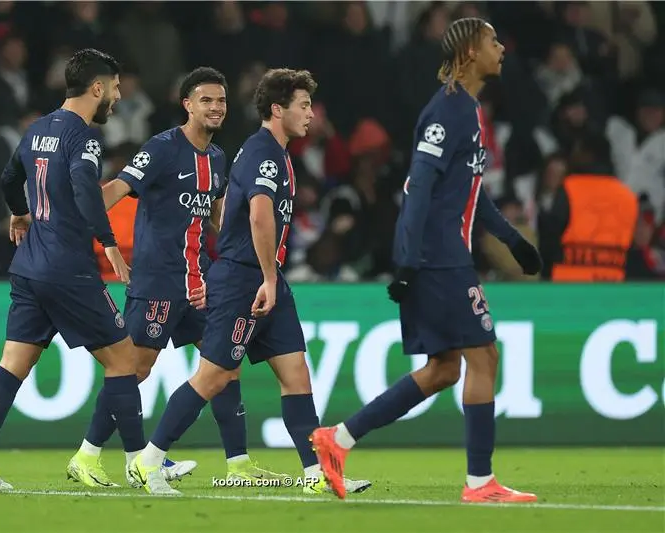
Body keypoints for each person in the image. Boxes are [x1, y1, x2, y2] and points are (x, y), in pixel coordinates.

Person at [310, 18, 542, 503]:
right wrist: (407, 261)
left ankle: (338, 438)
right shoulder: (448, 112)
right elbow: (416, 190)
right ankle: (480, 483)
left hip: (442, 255)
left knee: (444, 369)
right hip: (438, 258)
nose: (501, 47)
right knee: (484, 356)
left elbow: (470, 194)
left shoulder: (468, 111)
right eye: (493, 40)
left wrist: (513, 241)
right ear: (469, 53)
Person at [126, 68, 371, 496]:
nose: (311, 114)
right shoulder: (262, 152)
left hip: (263, 278)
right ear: (278, 110)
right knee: (214, 377)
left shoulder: (277, 153)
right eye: (304, 106)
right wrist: (268, 280)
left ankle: (317, 474)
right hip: (247, 280)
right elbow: (259, 216)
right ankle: (148, 461)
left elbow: (233, 216)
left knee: (297, 375)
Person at [66, 67, 289, 487]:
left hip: (199, 283)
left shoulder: (218, 157)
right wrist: (74, 219)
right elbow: (115, 189)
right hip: (158, 280)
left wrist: (240, 246)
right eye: (206, 100)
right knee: (135, 369)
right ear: (187, 105)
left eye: (221, 100)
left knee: (224, 366)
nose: (216, 107)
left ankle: (239, 464)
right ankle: (87, 455)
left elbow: (215, 215)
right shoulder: (163, 148)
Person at [0, 48, 145, 490]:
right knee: (124, 359)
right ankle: (143, 463)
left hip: (29, 266)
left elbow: (8, 178)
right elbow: (85, 189)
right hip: (68, 268)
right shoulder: (84, 137)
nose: (117, 97)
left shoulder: (37, 128)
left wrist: (20, 211)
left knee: (13, 363)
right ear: (97, 88)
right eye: (115, 88)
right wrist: (111, 243)